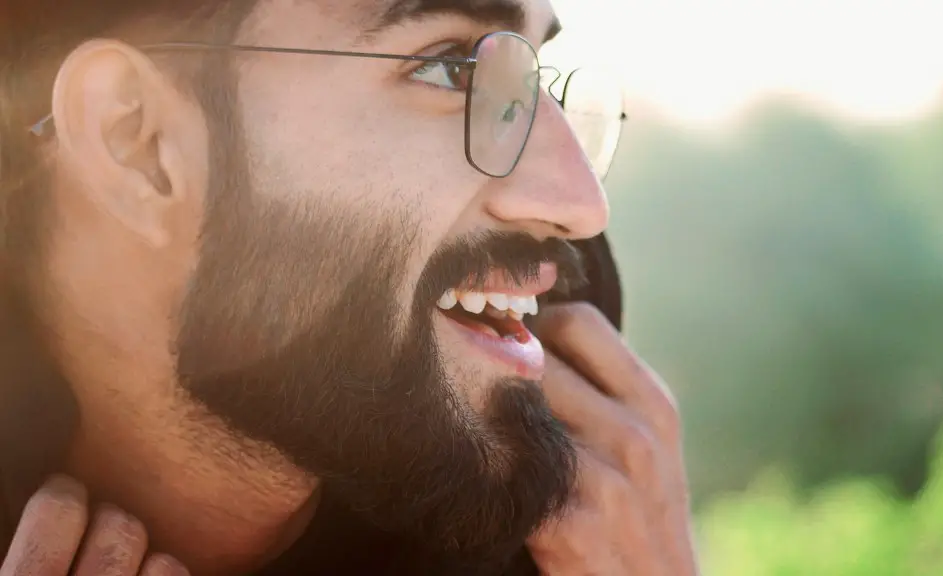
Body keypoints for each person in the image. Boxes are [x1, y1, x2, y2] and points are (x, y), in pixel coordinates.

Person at [0, 0, 698, 574]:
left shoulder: (575, 512)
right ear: (137, 141)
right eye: (452, 68)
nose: (579, 205)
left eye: (528, 73)